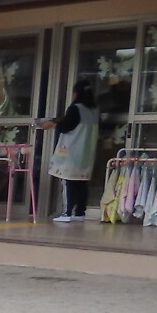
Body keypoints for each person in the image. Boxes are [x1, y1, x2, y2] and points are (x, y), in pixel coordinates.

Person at [44, 80, 101, 222]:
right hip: (87, 153)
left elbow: (66, 126)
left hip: (71, 152)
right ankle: (80, 212)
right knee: (81, 182)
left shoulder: (75, 108)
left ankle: (67, 212)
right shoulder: (94, 110)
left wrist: (54, 124)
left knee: (68, 181)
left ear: (77, 93)